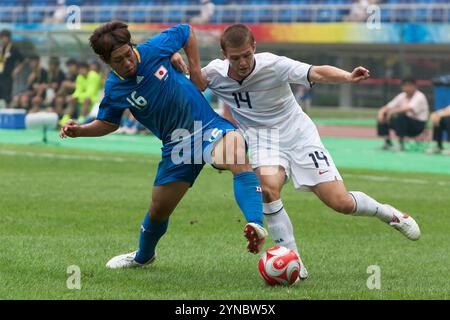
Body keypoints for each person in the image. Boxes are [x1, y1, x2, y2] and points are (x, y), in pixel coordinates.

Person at [173, 24, 421, 280]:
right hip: (263, 140)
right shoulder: (216, 72)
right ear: (225, 54)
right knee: (268, 190)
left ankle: (389, 214)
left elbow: (316, 73)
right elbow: (197, 82)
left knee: (341, 203)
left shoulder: (273, 65)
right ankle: (292, 258)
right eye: (235, 58)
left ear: (254, 48)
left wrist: (347, 76)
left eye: (247, 55)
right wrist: (174, 58)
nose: (243, 62)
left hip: (299, 136)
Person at [60, 22, 268, 269]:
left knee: (236, 155)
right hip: (177, 146)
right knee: (159, 210)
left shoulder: (152, 49)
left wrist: (194, 69)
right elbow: (108, 123)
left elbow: (186, 31)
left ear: (132, 46)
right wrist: (80, 131)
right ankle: (143, 256)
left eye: (128, 54)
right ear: (107, 61)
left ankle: (256, 225)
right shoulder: (114, 88)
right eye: (119, 60)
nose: (128, 62)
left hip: (208, 126)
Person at [377, 78, 429, 151]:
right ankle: (387, 142)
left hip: (418, 125)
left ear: (415, 86)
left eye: (410, 86)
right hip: (404, 124)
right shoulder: (401, 96)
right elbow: (388, 106)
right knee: (384, 115)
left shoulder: (420, 96)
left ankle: (400, 144)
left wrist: (392, 111)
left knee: (400, 115)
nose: (407, 88)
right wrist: (381, 111)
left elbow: (409, 108)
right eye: (405, 86)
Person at [0, 29, 24, 107]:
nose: (3, 40)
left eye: (5, 38)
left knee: (6, 96)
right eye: (2, 38)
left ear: (9, 38)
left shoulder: (13, 49)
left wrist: (16, 70)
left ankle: (6, 110)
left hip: (7, 76)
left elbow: (22, 60)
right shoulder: (0, 49)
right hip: (0, 74)